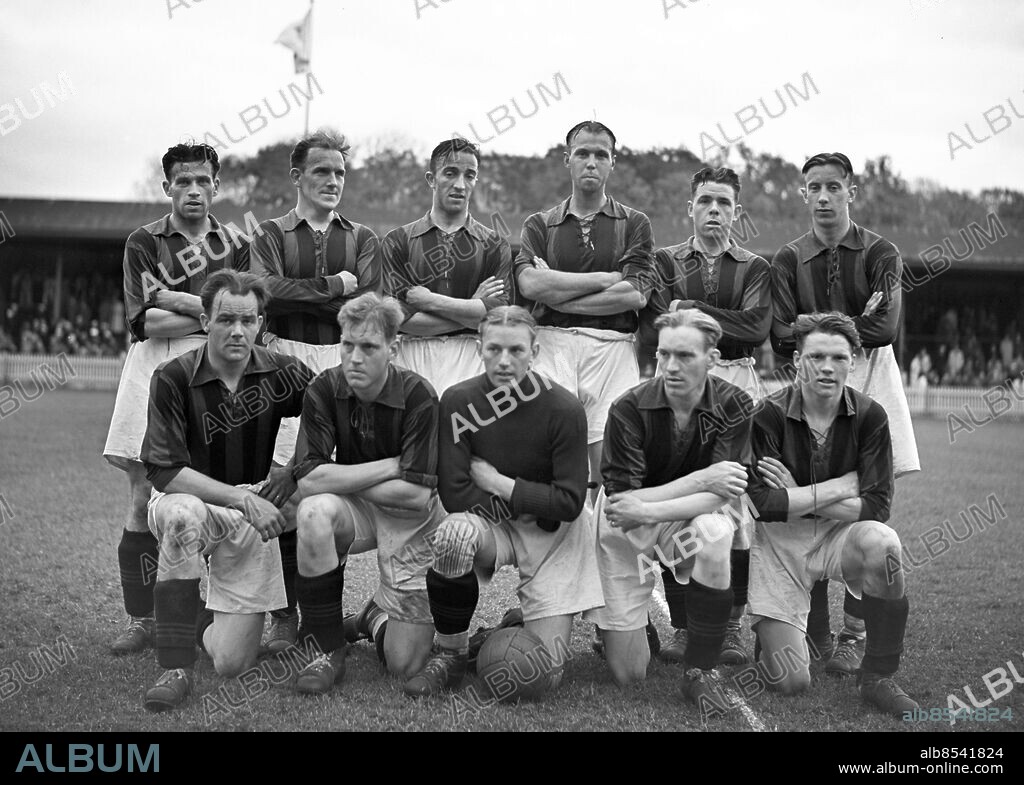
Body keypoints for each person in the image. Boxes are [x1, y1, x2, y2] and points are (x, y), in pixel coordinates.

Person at [770, 151, 920, 675]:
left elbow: (885, 332)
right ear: (803, 193)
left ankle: (855, 633)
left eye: (835, 186)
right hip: (812, 375)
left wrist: (808, 323)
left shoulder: (882, 251)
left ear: (851, 190)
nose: (825, 196)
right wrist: (848, 320)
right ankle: (815, 634)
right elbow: (777, 333)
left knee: (868, 497)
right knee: (804, 499)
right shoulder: (788, 259)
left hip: (871, 373)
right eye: (815, 187)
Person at [402, 306, 601, 697]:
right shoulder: (458, 401)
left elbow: (571, 503)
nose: (504, 361)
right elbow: (456, 494)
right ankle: (452, 653)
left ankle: (508, 626)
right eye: (494, 349)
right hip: (494, 522)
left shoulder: (565, 409)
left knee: (541, 674)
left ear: (535, 351)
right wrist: (535, 500)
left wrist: (501, 483)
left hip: (556, 536)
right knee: (453, 534)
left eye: (516, 351)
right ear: (479, 348)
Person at [140, 270, 313, 711]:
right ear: (204, 321)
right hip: (190, 497)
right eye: (226, 319)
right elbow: (164, 471)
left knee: (233, 662)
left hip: (247, 507)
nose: (238, 330)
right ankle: (174, 667)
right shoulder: (172, 377)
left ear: (261, 324)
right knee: (181, 517)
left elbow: (327, 409)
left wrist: (292, 471)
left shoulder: (283, 371)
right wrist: (243, 498)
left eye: (248, 320)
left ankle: (193, 619)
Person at [103, 142, 251, 656]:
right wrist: (216, 309)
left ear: (217, 185)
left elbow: (247, 312)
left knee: (213, 491)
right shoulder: (142, 242)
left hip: (221, 371)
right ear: (166, 187)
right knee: (144, 496)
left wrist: (178, 299)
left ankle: (206, 609)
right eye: (182, 182)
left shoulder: (235, 243)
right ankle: (141, 618)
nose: (193, 190)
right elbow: (145, 322)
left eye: (202, 181)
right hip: (156, 367)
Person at [746, 311, 918, 717]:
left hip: (840, 535)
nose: (827, 367)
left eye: (839, 357)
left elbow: (877, 506)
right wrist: (841, 487)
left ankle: (877, 675)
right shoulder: (767, 415)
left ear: (854, 362)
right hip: (780, 544)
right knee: (790, 682)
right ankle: (773, 634)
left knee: (884, 544)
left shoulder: (872, 416)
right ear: (797, 361)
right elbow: (763, 505)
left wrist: (797, 492)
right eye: (816, 356)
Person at [250, 130, 381, 654]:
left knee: (330, 490)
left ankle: (324, 614)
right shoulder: (269, 234)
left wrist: (313, 296)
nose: (333, 181)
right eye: (322, 171)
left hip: (344, 362)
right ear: (298, 175)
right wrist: (334, 288)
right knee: (281, 485)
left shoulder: (363, 238)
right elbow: (264, 292)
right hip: (284, 360)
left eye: (340, 173)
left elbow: (367, 305)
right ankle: (283, 614)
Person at [586, 309, 752, 717]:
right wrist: (700, 481)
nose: (671, 366)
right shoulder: (627, 407)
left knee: (717, 534)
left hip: (682, 518)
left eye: (685, 356)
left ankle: (701, 671)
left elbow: (722, 496)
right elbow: (623, 508)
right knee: (629, 674)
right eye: (663, 355)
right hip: (624, 531)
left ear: (712, 358)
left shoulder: (736, 404)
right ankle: (628, 624)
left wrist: (653, 504)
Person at [642, 166, 771, 668]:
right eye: (705, 201)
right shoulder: (663, 260)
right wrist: (716, 324)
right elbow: (658, 323)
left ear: (737, 211)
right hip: (677, 382)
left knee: (734, 508)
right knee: (680, 495)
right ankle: (679, 626)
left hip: (737, 382)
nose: (713, 210)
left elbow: (756, 329)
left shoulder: (756, 267)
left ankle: (732, 625)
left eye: (723, 202)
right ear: (689, 208)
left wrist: (690, 308)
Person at [290, 293, 442, 693]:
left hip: (410, 516)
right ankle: (325, 649)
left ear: (394, 348)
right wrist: (393, 465)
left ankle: (371, 617)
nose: (355, 357)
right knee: (312, 513)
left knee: (404, 665)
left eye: (369, 347)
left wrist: (337, 474)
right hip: (362, 504)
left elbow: (418, 496)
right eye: (347, 345)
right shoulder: (323, 387)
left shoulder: (420, 395)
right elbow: (308, 480)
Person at [514, 121, 655, 492]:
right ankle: (557, 546)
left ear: (613, 163)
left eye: (600, 155)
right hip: (552, 343)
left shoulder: (636, 223)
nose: (591, 162)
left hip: (613, 347)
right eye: (582, 153)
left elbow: (636, 294)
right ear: (567, 160)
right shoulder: (539, 224)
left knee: (608, 462)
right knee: (551, 457)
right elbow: (529, 284)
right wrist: (608, 278)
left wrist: (555, 288)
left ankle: (603, 547)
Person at [382, 138, 512, 396]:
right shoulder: (398, 241)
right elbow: (397, 319)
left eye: (469, 175)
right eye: (450, 173)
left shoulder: (494, 244)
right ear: (431, 179)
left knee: (463, 435)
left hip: (471, 354)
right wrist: (472, 310)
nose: (460, 185)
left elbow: (497, 317)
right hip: (411, 354)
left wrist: (427, 300)